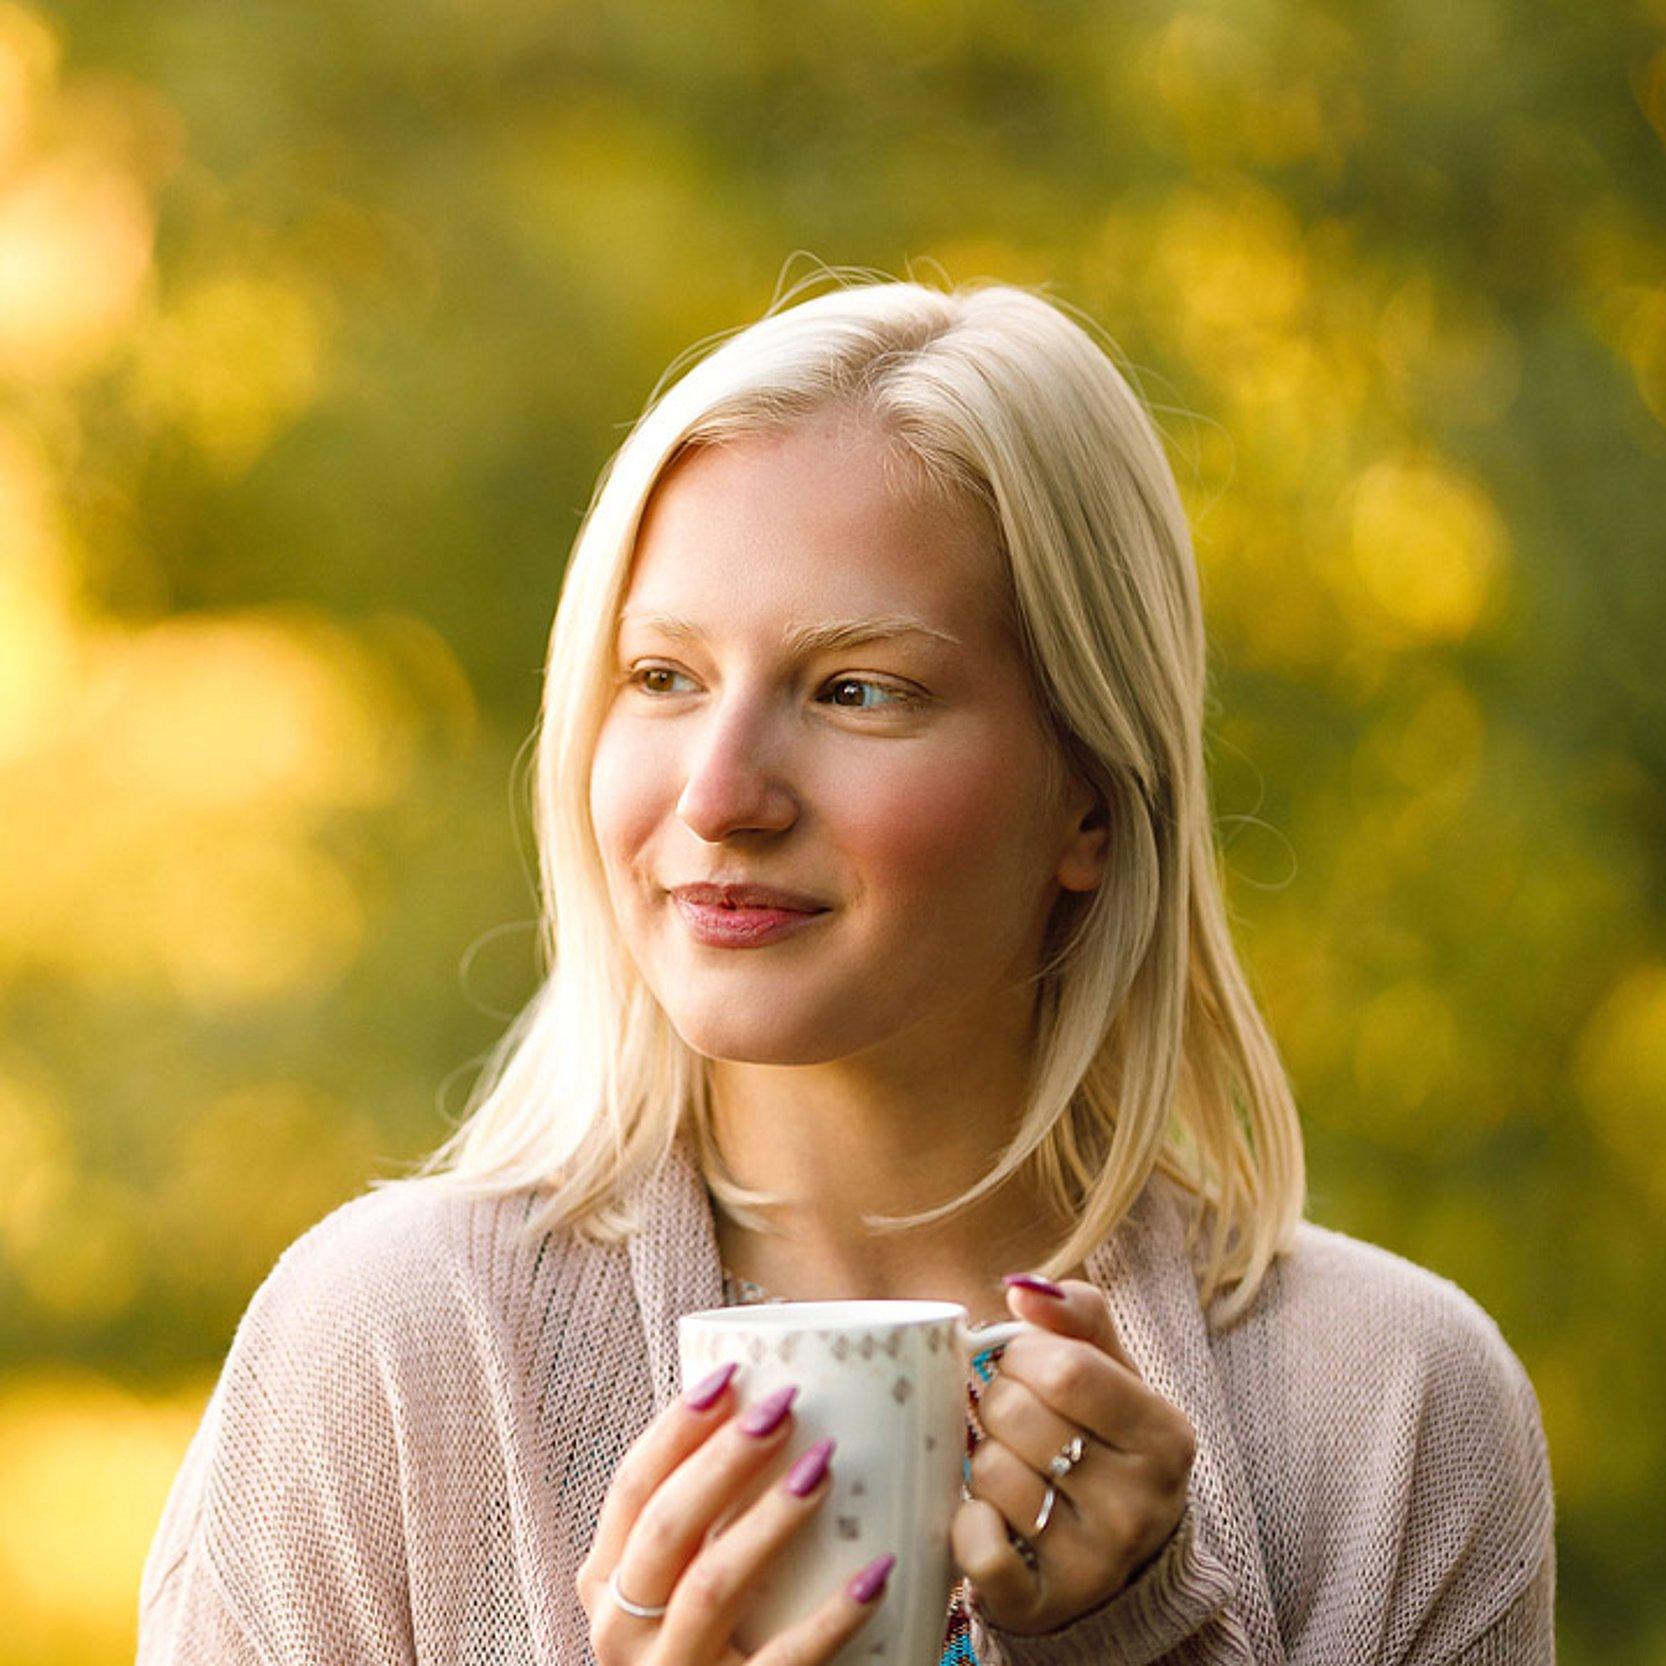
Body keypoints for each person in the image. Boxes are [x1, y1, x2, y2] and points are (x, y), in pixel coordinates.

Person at [135, 272, 1555, 1666]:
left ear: (1089, 802)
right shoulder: (385, 1355)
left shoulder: (1393, 1410)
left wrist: (1129, 1651)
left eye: (855, 689)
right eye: (664, 677)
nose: (718, 794)